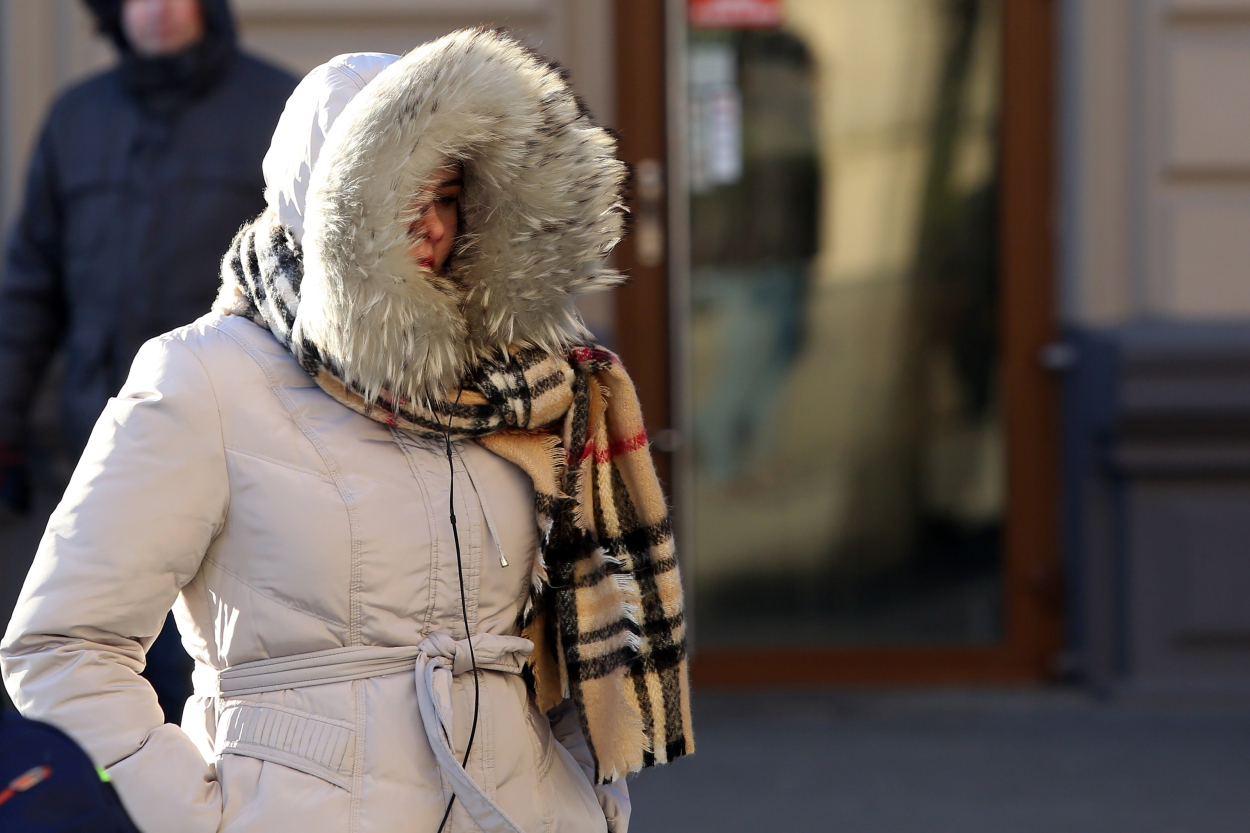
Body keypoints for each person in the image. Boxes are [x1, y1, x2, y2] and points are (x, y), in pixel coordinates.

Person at [1, 30, 693, 833]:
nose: (430, 226)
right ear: (332, 206)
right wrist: (200, 817)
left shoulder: (523, 382)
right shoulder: (206, 376)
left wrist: (587, 797)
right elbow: (63, 645)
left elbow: (566, 632)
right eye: (400, 197)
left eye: (447, 196)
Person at [0, 0, 295, 721]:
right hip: (94, 448)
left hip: (240, 452)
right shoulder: (76, 118)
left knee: (209, 682)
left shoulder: (277, 107)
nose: (157, 9)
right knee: (98, 682)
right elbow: (30, 285)